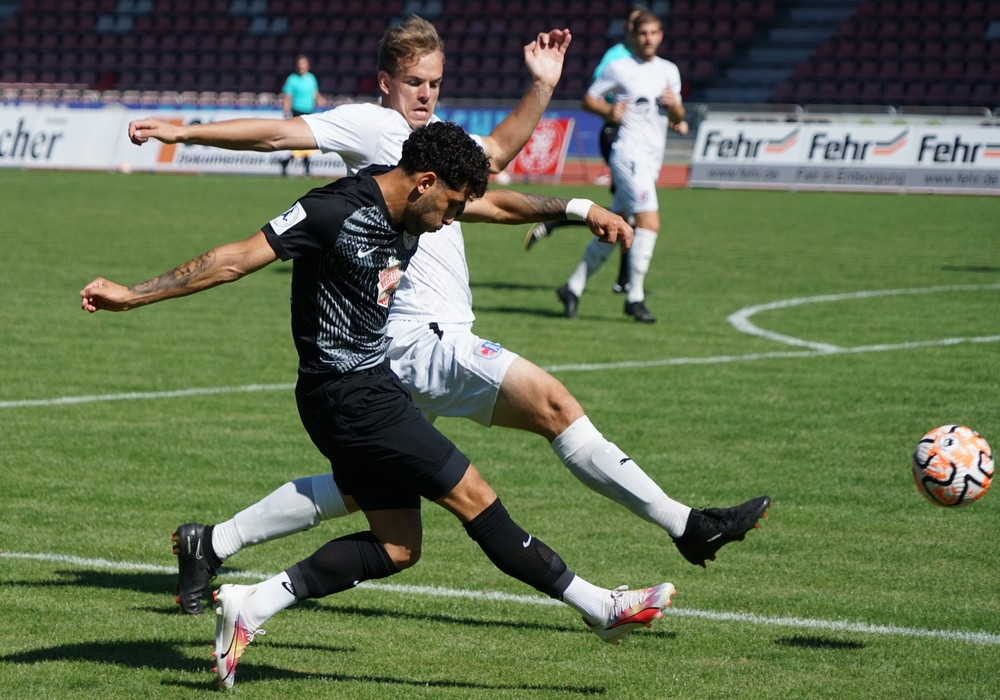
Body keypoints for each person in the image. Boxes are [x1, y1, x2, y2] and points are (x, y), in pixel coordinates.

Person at [127, 15, 769, 618]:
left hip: (403, 350)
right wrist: (183, 133)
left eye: (435, 82)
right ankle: (680, 530)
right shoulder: (374, 127)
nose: (426, 93)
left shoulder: (436, 146)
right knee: (552, 406)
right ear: (385, 81)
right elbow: (277, 134)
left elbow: (495, 170)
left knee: (364, 488)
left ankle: (212, 542)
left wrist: (548, 108)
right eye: (414, 81)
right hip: (418, 339)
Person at [81, 122, 676, 690]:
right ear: (424, 182)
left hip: (371, 387)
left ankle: (252, 604)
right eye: (449, 207)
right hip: (346, 396)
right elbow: (235, 258)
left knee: (398, 546)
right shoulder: (332, 210)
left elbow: (499, 207)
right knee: (475, 498)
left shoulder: (421, 202)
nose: (450, 222)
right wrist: (132, 296)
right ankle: (599, 607)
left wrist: (580, 209)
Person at [553, 9, 686, 324]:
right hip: (627, 154)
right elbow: (589, 99)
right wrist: (608, 112)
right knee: (649, 221)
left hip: (651, 159)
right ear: (633, 36)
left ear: (661, 35)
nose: (648, 39)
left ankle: (572, 288)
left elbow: (679, 117)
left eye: (653, 33)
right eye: (643, 33)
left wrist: (674, 106)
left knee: (615, 227)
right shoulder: (619, 67)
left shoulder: (670, 71)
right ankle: (634, 297)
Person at [279, 54, 323, 176]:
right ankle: (302, 166)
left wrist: (320, 100)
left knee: (307, 140)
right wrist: (286, 110)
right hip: (297, 111)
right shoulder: (292, 79)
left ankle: (289, 162)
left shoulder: (311, 78)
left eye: (303, 64)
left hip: (309, 111)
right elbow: (288, 96)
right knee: (301, 140)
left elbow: (315, 93)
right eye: (299, 64)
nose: (301, 66)